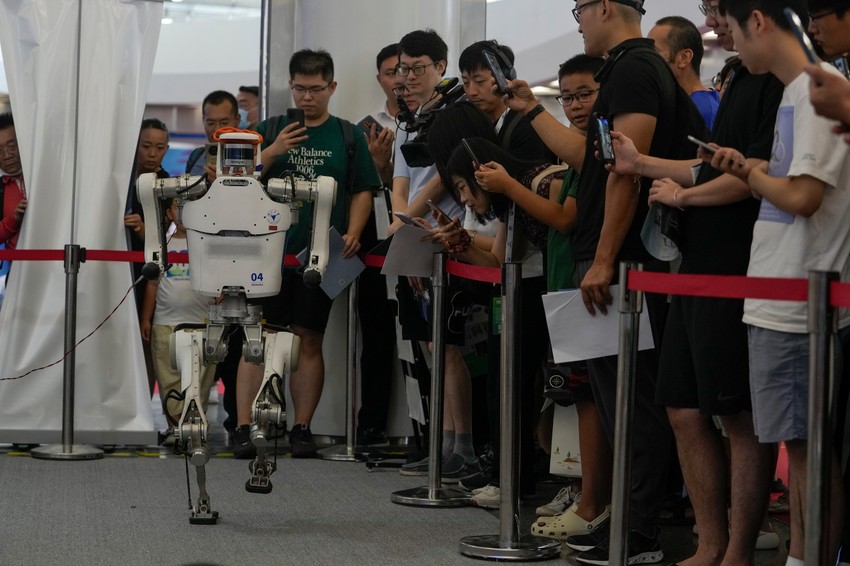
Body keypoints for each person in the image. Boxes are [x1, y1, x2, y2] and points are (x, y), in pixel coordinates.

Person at [502, 0, 712, 560]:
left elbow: (626, 168)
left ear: (602, 7)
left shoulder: (635, 69)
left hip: (627, 262)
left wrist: (603, 258)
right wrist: (531, 111)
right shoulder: (631, 68)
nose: (576, 21)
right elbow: (595, 162)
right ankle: (627, 523)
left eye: (578, 9)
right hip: (618, 258)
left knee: (633, 402)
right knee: (619, 397)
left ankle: (637, 534)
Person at [604, 0, 784, 561]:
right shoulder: (738, 83)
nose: (713, 23)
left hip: (737, 266)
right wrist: (642, 165)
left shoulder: (780, 84)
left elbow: (753, 181)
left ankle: (736, 547)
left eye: (718, 11)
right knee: (682, 407)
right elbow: (713, 167)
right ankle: (710, 541)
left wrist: (682, 195)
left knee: (737, 412)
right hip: (695, 266)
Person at [708, 1, 850, 563]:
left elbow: (802, 197)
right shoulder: (798, 92)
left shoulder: (820, 90)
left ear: (760, 21)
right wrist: (751, 170)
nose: (731, 43)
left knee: (808, 449)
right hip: (779, 289)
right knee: (802, 445)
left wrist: (753, 175)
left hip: (798, 297)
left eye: (734, 30)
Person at [233, 48, 380, 459]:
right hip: (266, 253)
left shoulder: (349, 135)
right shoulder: (271, 128)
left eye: (316, 89)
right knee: (255, 341)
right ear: (291, 86)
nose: (307, 97)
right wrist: (273, 150)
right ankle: (244, 427)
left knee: (308, 341)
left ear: (332, 88)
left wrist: (353, 231)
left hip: (321, 255)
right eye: (300, 88)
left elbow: (363, 188)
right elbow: (234, 179)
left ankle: (302, 428)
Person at [529, 54, 615, 541]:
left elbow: (567, 219)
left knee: (588, 398)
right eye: (568, 96)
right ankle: (585, 493)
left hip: (589, 282)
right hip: (566, 281)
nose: (577, 105)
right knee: (573, 395)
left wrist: (509, 187)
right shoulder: (574, 151)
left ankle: (593, 502)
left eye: (586, 93)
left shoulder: (596, 152)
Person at [390, 30, 478, 482]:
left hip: (448, 237)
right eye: (402, 69)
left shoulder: (457, 111)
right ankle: (442, 443)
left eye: (417, 68)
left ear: (441, 68)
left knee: (448, 344)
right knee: (428, 344)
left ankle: (463, 445)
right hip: (414, 234)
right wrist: (401, 226)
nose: (408, 77)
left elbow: (446, 176)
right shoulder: (408, 121)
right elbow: (400, 179)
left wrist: (409, 223)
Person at [354, 44, 403, 446]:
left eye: (404, 70)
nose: (398, 79)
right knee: (376, 337)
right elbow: (360, 188)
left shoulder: (435, 121)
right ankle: (371, 424)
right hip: (375, 241)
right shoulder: (365, 127)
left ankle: (427, 434)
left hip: (422, 236)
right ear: (380, 78)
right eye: (390, 72)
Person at [140, 198, 217, 443]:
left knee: (200, 379)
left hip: (202, 323)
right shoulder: (162, 246)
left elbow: (217, 283)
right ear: (169, 213)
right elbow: (152, 285)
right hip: (166, 323)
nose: (183, 214)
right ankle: (176, 427)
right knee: (168, 377)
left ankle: (194, 426)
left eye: (189, 209)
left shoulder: (206, 245)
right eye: (178, 208)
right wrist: (146, 318)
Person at [125, 118, 170, 396]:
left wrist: (145, 232)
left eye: (160, 147)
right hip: (114, 268)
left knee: (147, 341)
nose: (153, 154)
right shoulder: (117, 180)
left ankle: (143, 405)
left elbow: (173, 237)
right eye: (146, 146)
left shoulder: (168, 185)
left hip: (149, 275)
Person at [648, 15, 720, 129]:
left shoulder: (703, 108)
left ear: (684, 58)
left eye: (655, 52)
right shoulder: (683, 103)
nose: (649, 59)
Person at [185, 90, 241, 176]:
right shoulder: (196, 156)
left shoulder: (250, 157)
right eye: (211, 123)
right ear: (203, 121)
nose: (217, 129)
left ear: (237, 120)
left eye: (224, 123)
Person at [0, 113, 27, 251]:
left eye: (12, 146)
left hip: (56, 263)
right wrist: (13, 219)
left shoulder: (40, 175)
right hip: (18, 268)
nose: (7, 155)